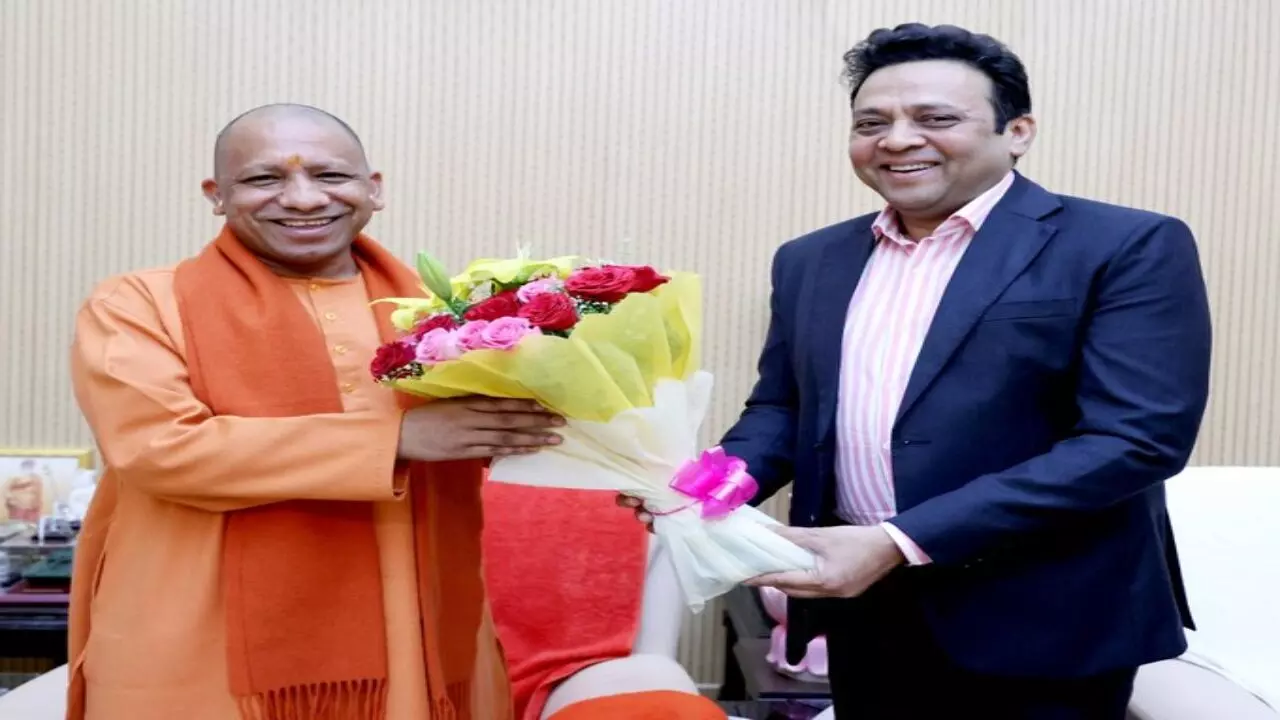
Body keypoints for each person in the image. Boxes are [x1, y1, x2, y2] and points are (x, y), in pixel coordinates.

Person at [625, 23, 1212, 719]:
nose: (898, 140)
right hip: (864, 607)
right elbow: (784, 409)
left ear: (1018, 132)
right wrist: (708, 489)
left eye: (936, 119)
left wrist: (899, 541)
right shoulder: (810, 259)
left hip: (1046, 614)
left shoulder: (1126, 244)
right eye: (871, 123)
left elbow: (1136, 440)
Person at [66, 103, 566, 720]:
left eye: (330, 175)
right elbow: (159, 449)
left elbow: (514, 436)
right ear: (216, 195)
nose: (303, 199)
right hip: (201, 643)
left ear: (373, 188)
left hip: (418, 625)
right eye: (264, 178)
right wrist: (396, 439)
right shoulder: (139, 303)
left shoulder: (445, 317)